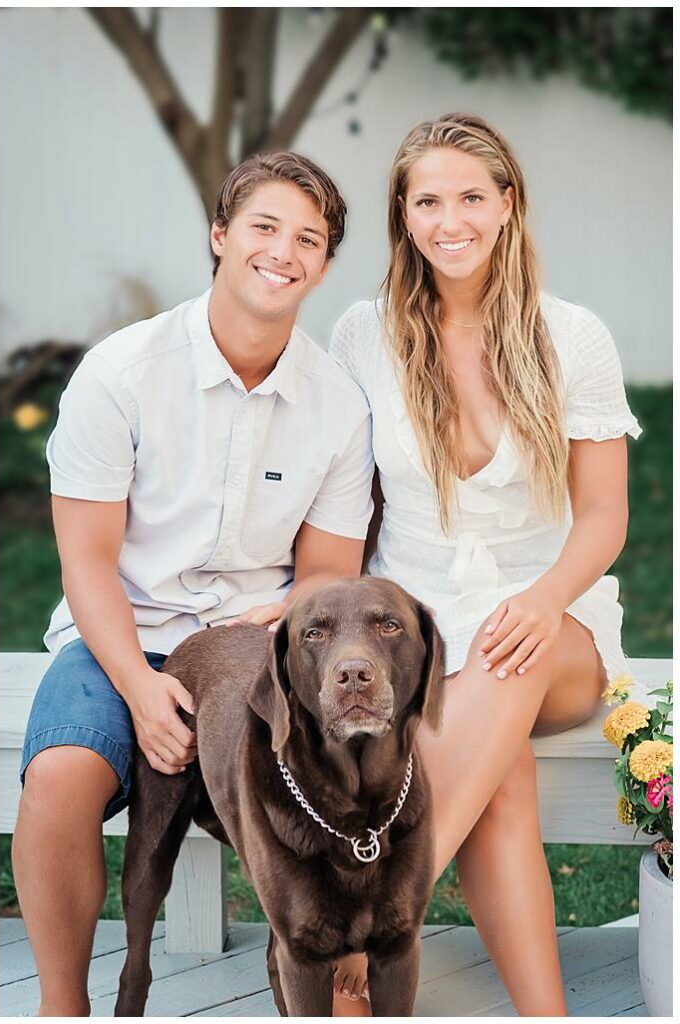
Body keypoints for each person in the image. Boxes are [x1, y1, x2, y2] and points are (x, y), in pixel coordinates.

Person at [12, 151, 374, 1017]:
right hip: (121, 635)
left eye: (308, 239)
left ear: (323, 264)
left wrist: (291, 611)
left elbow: (329, 572)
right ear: (220, 236)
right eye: (263, 227)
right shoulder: (119, 374)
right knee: (61, 776)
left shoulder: (337, 404)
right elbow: (87, 560)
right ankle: (62, 1005)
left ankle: (332, 976)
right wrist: (139, 687)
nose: (283, 251)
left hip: (256, 644)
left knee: (345, 778)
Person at [328, 113, 641, 1016]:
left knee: (515, 647)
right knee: (499, 776)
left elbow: (607, 515)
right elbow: (349, 500)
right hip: (415, 636)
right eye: (429, 199)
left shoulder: (570, 335)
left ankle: (375, 919)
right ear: (404, 213)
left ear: (508, 205)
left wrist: (547, 598)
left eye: (472, 196)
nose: (450, 218)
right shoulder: (366, 332)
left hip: (557, 624)